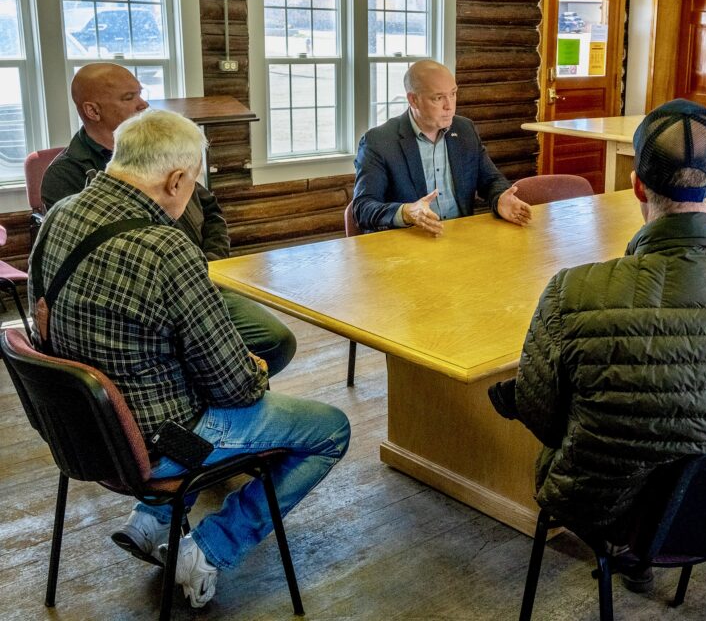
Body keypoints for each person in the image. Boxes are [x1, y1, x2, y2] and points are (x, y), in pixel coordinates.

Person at [487, 99, 706, 590]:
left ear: (637, 186)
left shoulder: (572, 292)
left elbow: (542, 416)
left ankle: (631, 555)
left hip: (609, 510)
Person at [29, 109, 350, 608]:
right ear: (177, 180)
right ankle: (206, 550)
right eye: (194, 182)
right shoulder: (165, 247)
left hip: (85, 431)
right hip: (160, 443)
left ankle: (151, 519)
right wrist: (255, 370)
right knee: (330, 429)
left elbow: (42, 324)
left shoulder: (60, 215)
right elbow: (232, 386)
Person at [41, 63, 297, 376]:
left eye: (140, 94)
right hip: (137, 302)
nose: (143, 104)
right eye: (129, 97)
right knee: (217, 358)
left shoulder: (158, 154)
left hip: (198, 278)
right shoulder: (65, 175)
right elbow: (95, 268)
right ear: (92, 111)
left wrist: (208, 265)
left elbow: (211, 212)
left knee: (275, 340)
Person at [351, 59, 532, 235]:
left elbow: (490, 180)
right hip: (410, 241)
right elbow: (362, 208)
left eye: (453, 94)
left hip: (461, 237)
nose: (449, 106)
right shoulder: (379, 141)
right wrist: (406, 212)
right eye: (438, 98)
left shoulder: (464, 129)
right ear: (413, 100)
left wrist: (499, 198)